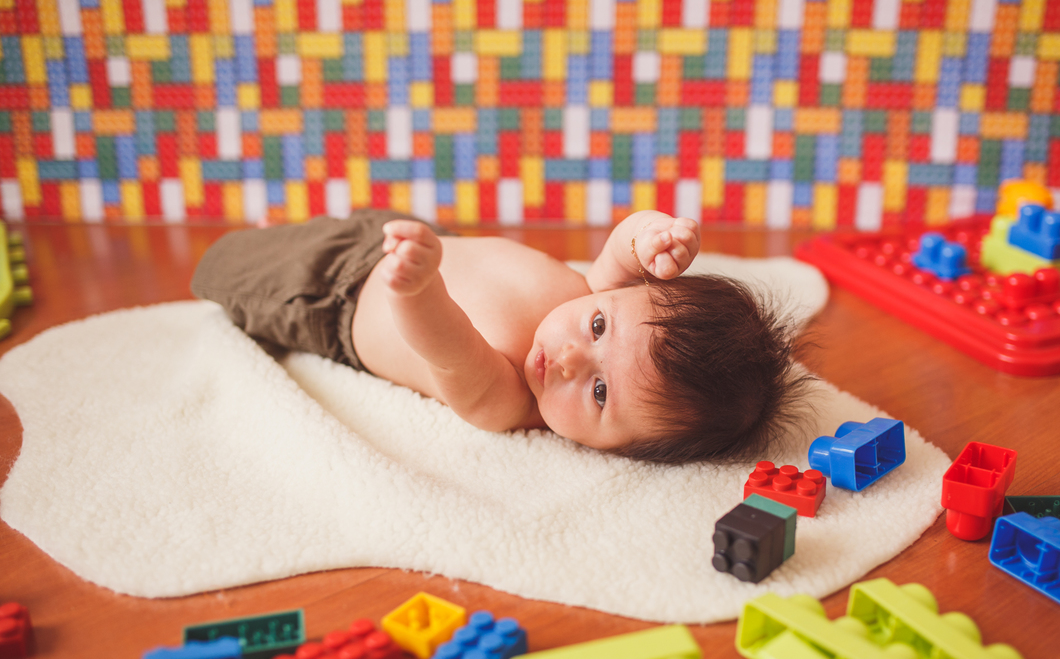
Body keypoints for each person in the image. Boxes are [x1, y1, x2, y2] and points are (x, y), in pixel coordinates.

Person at [192, 208, 811, 463]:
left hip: (334, 293)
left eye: (599, 393)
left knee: (226, 266)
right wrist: (654, 235)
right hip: (408, 236)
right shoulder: (593, 294)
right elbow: (624, 249)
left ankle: (245, 255)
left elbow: (444, 343)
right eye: (599, 327)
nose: (569, 359)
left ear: (617, 450)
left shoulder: (507, 399)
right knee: (327, 223)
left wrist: (419, 286)